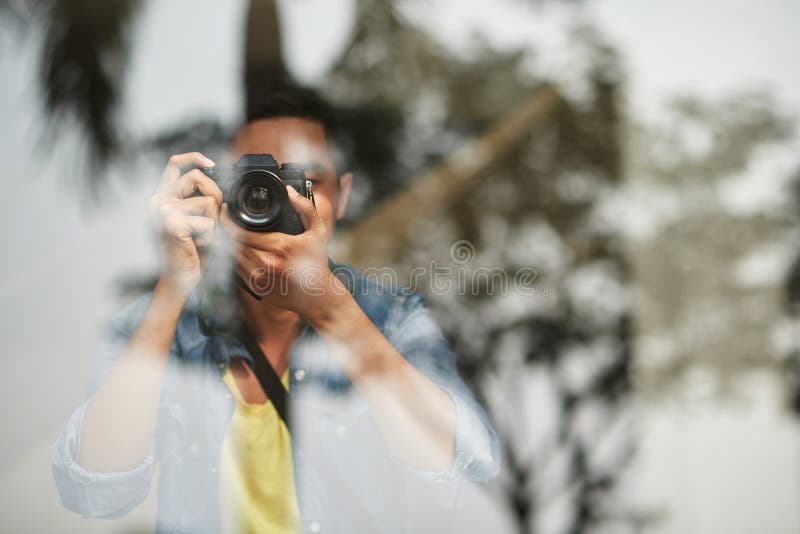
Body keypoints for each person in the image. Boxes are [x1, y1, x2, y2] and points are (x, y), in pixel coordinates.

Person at [52, 78, 500, 533]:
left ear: (343, 195)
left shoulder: (391, 317)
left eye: (304, 182)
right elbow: (94, 484)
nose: (275, 198)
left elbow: (469, 464)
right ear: (217, 193)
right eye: (253, 184)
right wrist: (172, 288)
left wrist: (333, 312)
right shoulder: (163, 320)